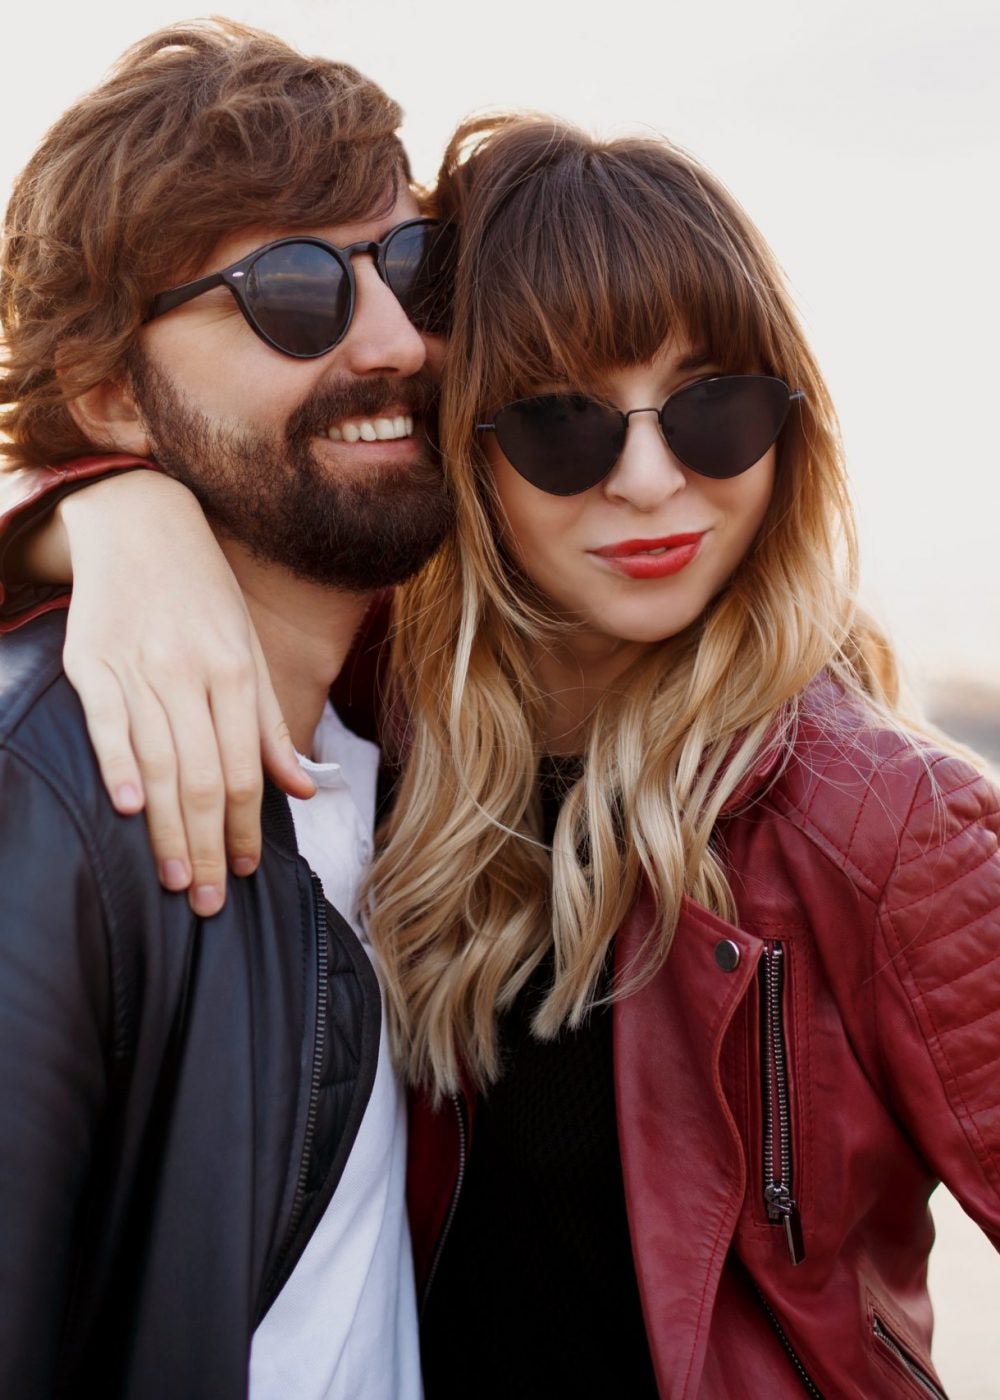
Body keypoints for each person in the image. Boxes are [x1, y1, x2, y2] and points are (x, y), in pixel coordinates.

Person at [4, 115, 999, 1398]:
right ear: (458, 437)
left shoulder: (884, 824)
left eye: (716, 409)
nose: (650, 482)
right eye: (562, 426)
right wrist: (102, 514)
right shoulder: (379, 729)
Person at [0, 19, 455, 1399]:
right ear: (106, 396)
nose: (395, 341)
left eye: (419, 265)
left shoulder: (429, 752)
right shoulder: (55, 805)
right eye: (297, 289)